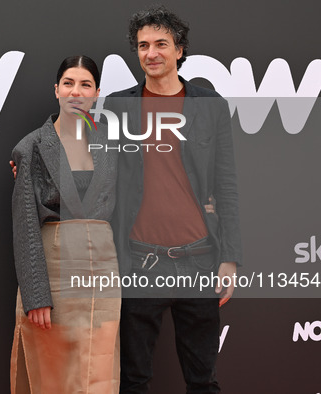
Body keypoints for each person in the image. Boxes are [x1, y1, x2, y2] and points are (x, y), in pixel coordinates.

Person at [103, 6, 242, 393]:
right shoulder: (118, 106)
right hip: (138, 262)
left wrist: (229, 256)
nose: (151, 53)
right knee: (133, 380)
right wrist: (33, 162)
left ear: (179, 50)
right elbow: (93, 170)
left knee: (203, 380)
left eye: (161, 44)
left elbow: (226, 183)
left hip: (199, 260)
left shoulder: (210, 105)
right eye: (143, 45)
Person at [10, 55, 121, 394]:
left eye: (85, 84)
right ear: (56, 90)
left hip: (103, 270)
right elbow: (26, 222)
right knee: (53, 373)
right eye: (69, 83)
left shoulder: (114, 145)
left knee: (99, 370)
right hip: (54, 268)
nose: (77, 91)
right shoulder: (30, 147)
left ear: (97, 92)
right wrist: (36, 295)